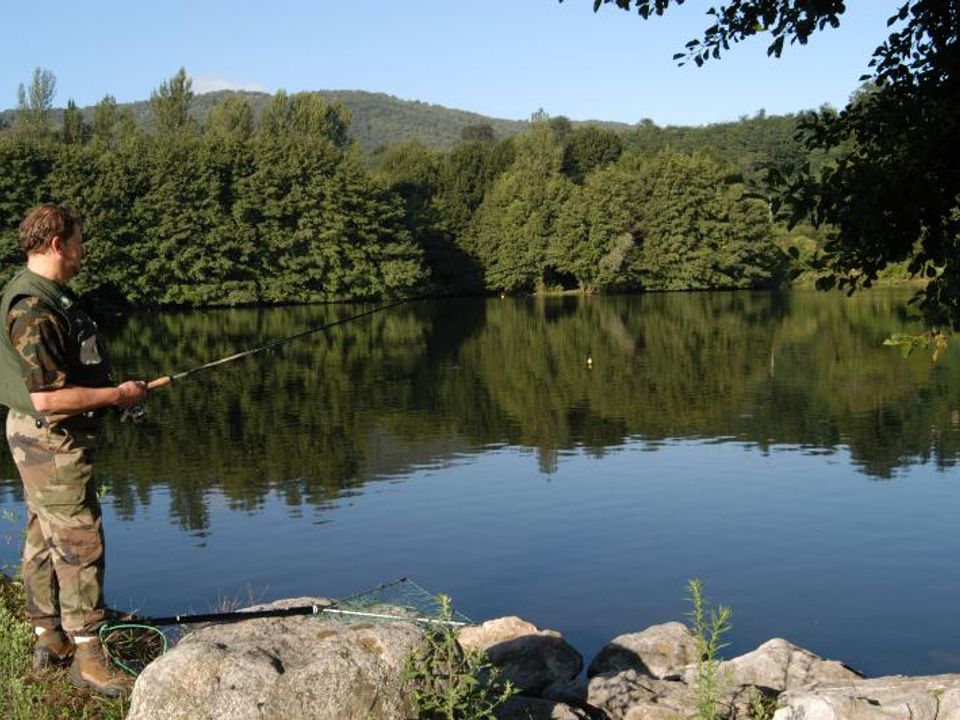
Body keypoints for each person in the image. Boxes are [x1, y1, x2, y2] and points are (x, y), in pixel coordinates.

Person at [0, 205, 148, 696]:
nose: (85, 248)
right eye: (80, 239)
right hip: (50, 439)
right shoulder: (34, 309)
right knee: (81, 541)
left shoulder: (44, 295)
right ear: (59, 244)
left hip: (35, 436)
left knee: (44, 533)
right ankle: (87, 655)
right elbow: (48, 399)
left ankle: (49, 638)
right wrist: (119, 395)